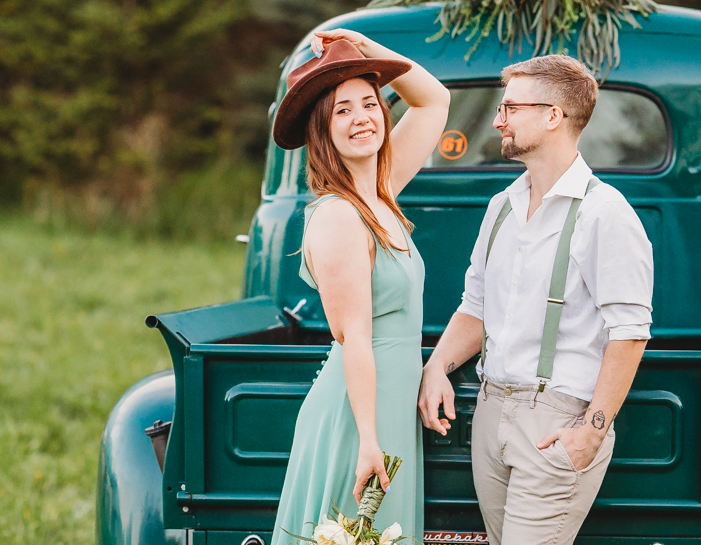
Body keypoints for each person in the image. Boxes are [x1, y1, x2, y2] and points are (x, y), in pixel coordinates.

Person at [418, 55, 654, 545]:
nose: (498, 119)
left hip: (555, 421)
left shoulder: (605, 213)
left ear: (554, 116)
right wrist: (437, 366)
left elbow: (629, 332)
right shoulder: (501, 206)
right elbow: (475, 305)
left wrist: (590, 431)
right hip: (489, 415)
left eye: (511, 108)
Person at [270, 29, 449, 545]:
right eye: (342, 110)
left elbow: (435, 99)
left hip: (389, 406)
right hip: (358, 417)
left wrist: (366, 47)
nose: (361, 118)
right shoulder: (338, 216)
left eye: (369, 104)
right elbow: (355, 338)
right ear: (322, 130)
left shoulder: (381, 193)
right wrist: (369, 439)